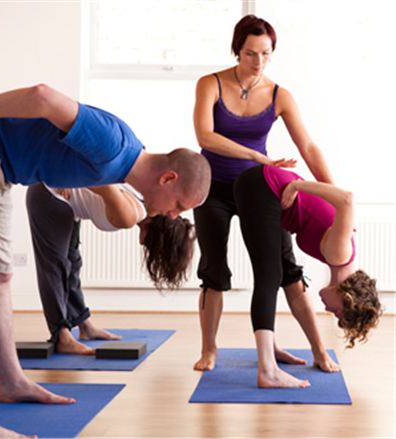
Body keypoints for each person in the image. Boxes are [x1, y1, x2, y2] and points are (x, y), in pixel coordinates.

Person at [0, 84, 211, 438]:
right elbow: (42, 96)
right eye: (180, 206)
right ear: (168, 178)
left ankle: (11, 380)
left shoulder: (120, 165)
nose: (173, 216)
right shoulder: (114, 146)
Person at [192, 14, 335, 372]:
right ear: (237, 51)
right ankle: (209, 349)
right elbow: (204, 137)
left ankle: (318, 350)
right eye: (250, 53)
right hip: (214, 188)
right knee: (214, 270)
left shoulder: (278, 94)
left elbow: (308, 146)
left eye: (266, 54)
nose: (258, 62)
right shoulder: (209, 84)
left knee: (284, 269)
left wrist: (333, 192)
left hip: (260, 192)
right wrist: (257, 155)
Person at [234, 165, 382, 387]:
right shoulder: (339, 252)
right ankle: (268, 371)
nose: (329, 311)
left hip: (267, 192)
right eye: (338, 313)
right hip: (263, 186)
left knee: (284, 274)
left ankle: (273, 350)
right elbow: (347, 199)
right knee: (269, 276)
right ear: (347, 298)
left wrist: (320, 353)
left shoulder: (339, 257)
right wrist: (297, 185)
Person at [26, 182, 195, 355]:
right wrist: (63, 175)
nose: (144, 245)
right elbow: (100, 181)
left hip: (69, 204)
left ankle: (84, 325)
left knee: (73, 263)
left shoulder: (146, 198)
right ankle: (62, 336)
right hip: (49, 195)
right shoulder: (128, 215)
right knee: (54, 268)